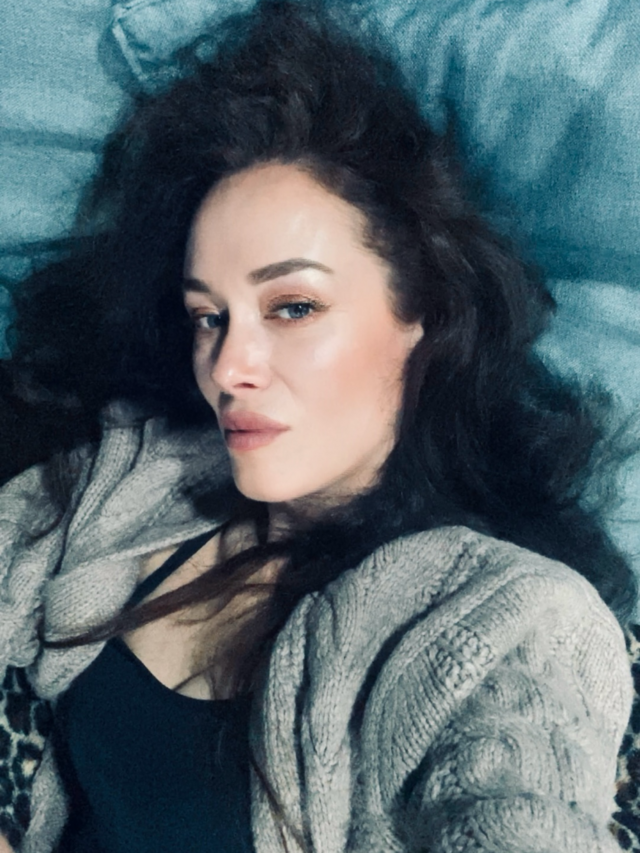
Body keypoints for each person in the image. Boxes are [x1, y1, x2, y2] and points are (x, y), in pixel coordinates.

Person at [0, 1, 634, 850]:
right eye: (208, 316)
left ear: (422, 316)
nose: (227, 367)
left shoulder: (507, 621)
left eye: (292, 306)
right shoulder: (140, 476)